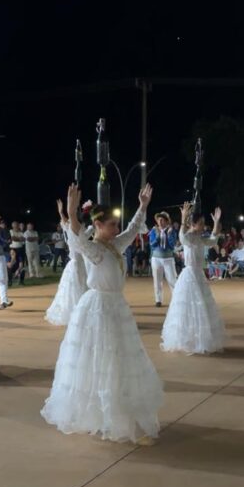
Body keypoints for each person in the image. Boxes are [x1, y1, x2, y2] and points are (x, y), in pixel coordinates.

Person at [41, 182, 163, 443]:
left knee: (117, 360)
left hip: (116, 307)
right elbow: (77, 237)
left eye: (116, 225)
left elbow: (133, 229)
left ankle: (117, 413)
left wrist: (142, 206)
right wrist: (71, 213)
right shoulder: (93, 249)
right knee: (100, 359)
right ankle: (103, 416)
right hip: (98, 309)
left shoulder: (114, 245)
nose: (116, 229)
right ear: (97, 225)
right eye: (112, 225)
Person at [161, 202, 225, 355]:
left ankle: (200, 340)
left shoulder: (200, 238)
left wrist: (216, 223)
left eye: (204, 223)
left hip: (199, 274)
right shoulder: (189, 237)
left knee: (202, 306)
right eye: (201, 223)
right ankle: (187, 339)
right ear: (193, 224)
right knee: (188, 306)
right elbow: (182, 237)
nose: (203, 226)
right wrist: (183, 219)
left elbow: (213, 240)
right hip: (189, 275)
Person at [45, 198, 92, 327]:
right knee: (79, 286)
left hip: (75, 263)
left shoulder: (69, 229)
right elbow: (87, 228)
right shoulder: (80, 231)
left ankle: (78, 311)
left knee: (72, 288)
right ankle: (79, 313)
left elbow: (65, 221)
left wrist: (61, 212)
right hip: (78, 263)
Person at [149, 211, 178, 307]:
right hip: (156, 258)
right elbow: (152, 244)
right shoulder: (154, 230)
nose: (160, 222)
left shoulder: (171, 231)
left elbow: (172, 245)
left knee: (172, 279)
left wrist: (169, 235)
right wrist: (157, 236)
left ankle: (176, 299)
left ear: (166, 221)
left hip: (168, 258)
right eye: (158, 220)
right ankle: (158, 300)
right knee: (157, 280)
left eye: (162, 220)